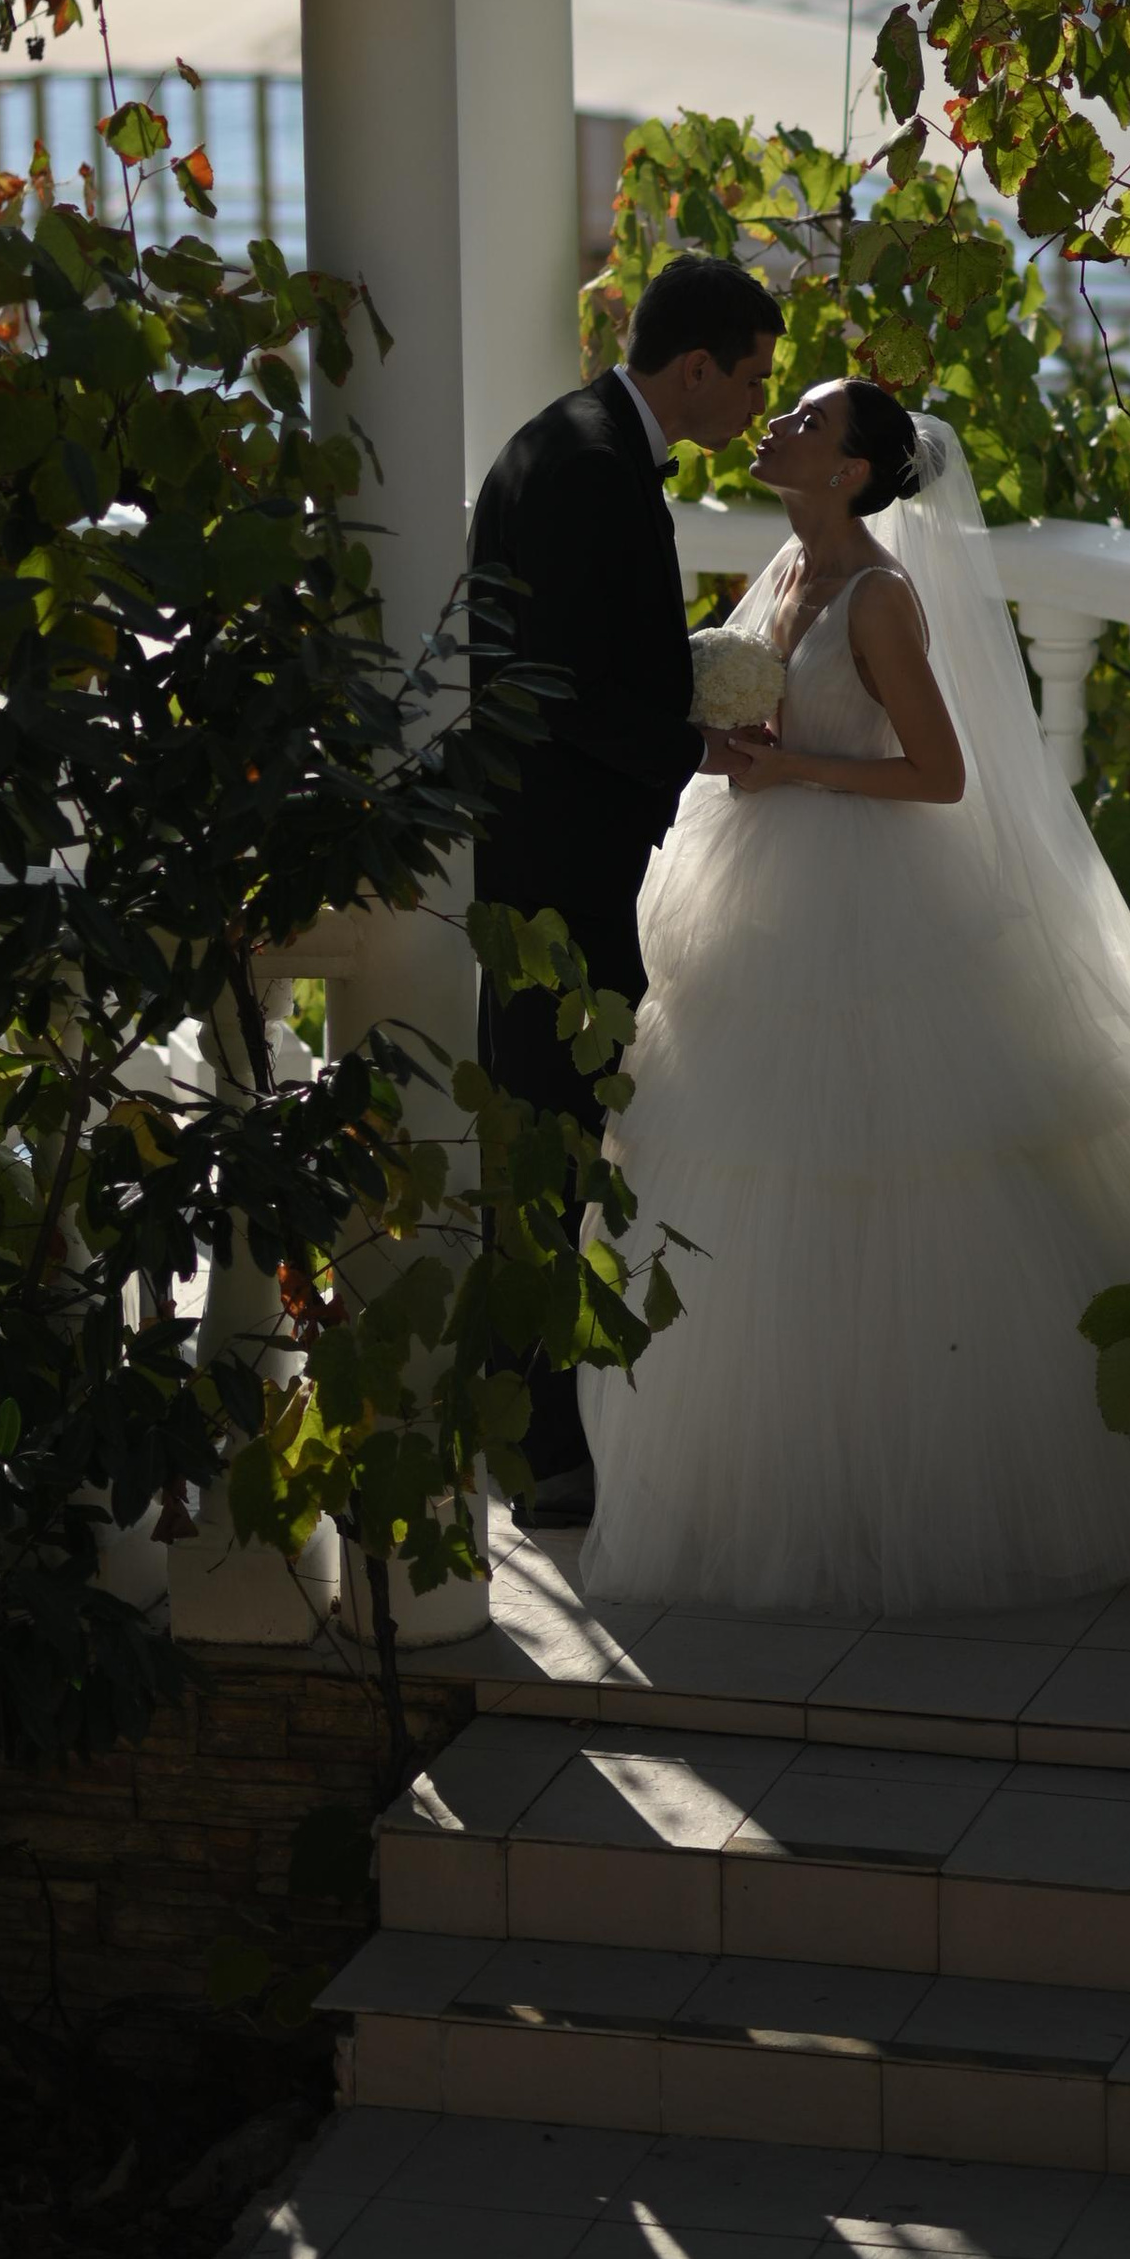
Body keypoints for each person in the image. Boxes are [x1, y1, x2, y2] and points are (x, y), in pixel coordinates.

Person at [580, 375, 1130, 1615]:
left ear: (853, 472)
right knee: (754, 1171)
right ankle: (775, 1477)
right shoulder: (782, 568)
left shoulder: (881, 597)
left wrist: (799, 774)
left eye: (809, 425)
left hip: (860, 890)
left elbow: (939, 776)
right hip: (760, 884)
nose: (778, 427)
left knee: (889, 1169)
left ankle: (921, 1484)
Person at [468, 253, 785, 1524]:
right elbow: (556, 686)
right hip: (561, 867)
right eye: (752, 377)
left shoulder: (568, 439)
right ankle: (546, 1447)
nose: (757, 404)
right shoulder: (595, 465)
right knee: (550, 1146)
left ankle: (539, 1417)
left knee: (547, 1136)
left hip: (546, 857)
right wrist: (696, 742)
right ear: (694, 367)